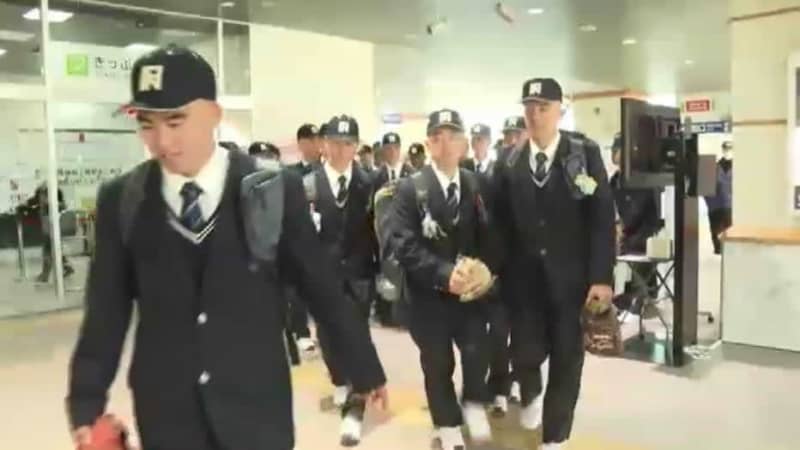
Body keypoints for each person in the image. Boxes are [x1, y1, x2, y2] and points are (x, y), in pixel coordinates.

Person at [66, 45, 388, 450]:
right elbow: (105, 312)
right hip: (167, 413)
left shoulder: (272, 189)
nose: (161, 141)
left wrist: (363, 365)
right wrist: (86, 403)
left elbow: (320, 286)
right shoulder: (123, 200)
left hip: (256, 407)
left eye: (176, 121)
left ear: (214, 115)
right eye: (147, 124)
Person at [492, 78, 614, 449]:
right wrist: (491, 271)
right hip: (523, 283)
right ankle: (530, 393)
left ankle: (555, 437)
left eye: (543, 107)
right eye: (529, 107)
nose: (534, 115)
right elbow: (498, 225)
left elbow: (601, 218)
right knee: (524, 354)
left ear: (561, 110)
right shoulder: (508, 161)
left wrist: (601, 277)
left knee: (566, 360)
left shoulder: (583, 155)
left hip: (571, 283)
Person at [389, 109, 497, 450]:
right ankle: (446, 422)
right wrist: (444, 273)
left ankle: (473, 401)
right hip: (429, 294)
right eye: (437, 137)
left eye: (453, 136)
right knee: (438, 362)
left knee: (478, 352)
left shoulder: (477, 185)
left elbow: (491, 235)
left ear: (464, 144)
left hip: (470, 295)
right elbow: (404, 244)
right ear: (428, 144)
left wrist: (484, 269)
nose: (445, 143)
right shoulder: (409, 189)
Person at [304, 115, 380, 447]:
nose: (340, 150)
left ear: (356, 147)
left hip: (360, 275)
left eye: (348, 144)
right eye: (335, 142)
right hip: (324, 278)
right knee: (328, 337)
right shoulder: (308, 185)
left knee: (358, 338)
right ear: (324, 144)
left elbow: (380, 231)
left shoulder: (371, 182)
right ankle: (339, 379)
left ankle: (354, 409)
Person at [609, 133, 663, 316]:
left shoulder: (645, 181)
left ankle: (642, 298)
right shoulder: (613, 182)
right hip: (622, 236)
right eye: (616, 151)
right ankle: (615, 301)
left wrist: (632, 237)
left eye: (622, 151)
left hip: (642, 237)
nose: (618, 156)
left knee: (638, 259)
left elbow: (652, 219)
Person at [285, 123, 323, 351]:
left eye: (318, 140)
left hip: (324, 237)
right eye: (312, 140)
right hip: (299, 236)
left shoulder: (327, 171)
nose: (317, 145)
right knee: (298, 286)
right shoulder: (291, 174)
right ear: (301, 143)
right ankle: (301, 331)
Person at [372, 132, 414, 326]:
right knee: (386, 271)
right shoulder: (375, 177)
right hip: (383, 234)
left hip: (406, 232)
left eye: (395, 148)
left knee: (406, 272)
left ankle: (406, 314)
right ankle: (386, 314)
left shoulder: (412, 174)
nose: (391, 152)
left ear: (399, 149)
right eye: (387, 148)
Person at [18, 182, 75, 283]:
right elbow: (31, 203)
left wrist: (28, 206)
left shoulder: (53, 201)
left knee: (47, 252)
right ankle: (67, 268)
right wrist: (25, 206)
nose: (42, 197)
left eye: (43, 194)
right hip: (50, 229)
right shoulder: (46, 199)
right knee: (55, 251)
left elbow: (33, 204)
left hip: (51, 230)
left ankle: (45, 276)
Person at [704, 141, 733, 254]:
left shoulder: (739, 168)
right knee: (717, 236)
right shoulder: (714, 167)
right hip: (715, 208)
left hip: (731, 208)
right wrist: (710, 203)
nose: (727, 151)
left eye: (730, 149)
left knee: (730, 237)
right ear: (722, 150)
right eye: (726, 149)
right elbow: (705, 187)